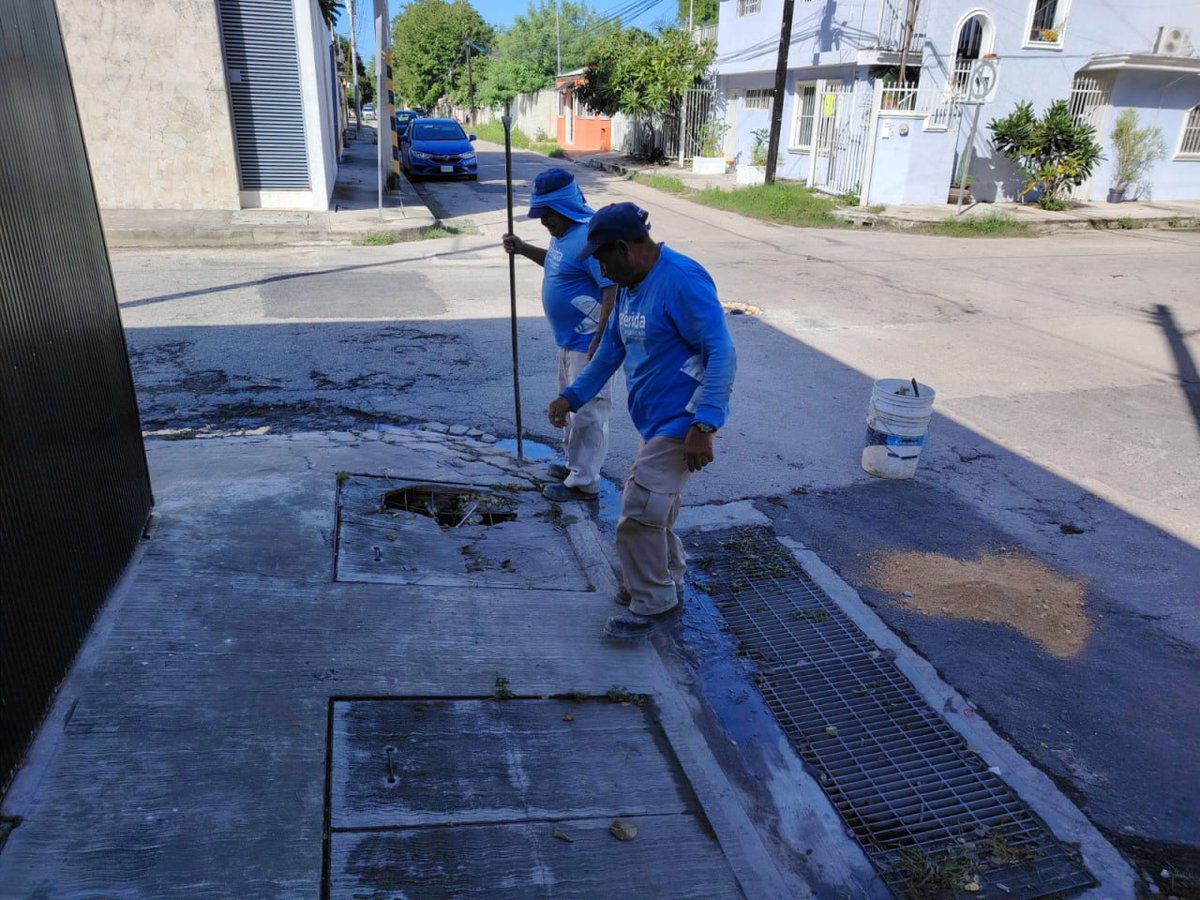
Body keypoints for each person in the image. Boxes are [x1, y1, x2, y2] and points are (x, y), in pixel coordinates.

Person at [548, 202, 736, 640]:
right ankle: (666, 580)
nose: (600, 269)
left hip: (683, 423)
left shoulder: (680, 280)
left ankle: (654, 603)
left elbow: (722, 352)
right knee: (657, 512)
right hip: (655, 424)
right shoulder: (630, 286)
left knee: (638, 511)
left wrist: (704, 426)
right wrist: (571, 396)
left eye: (603, 258)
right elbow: (610, 352)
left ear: (624, 248)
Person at [502, 168, 618, 502]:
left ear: (564, 209)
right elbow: (558, 265)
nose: (543, 221)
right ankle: (573, 467)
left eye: (547, 214)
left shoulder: (587, 238)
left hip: (588, 345)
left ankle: (585, 483)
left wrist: (601, 336)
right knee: (569, 409)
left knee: (588, 414)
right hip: (568, 343)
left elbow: (611, 287)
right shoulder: (563, 235)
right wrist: (524, 249)